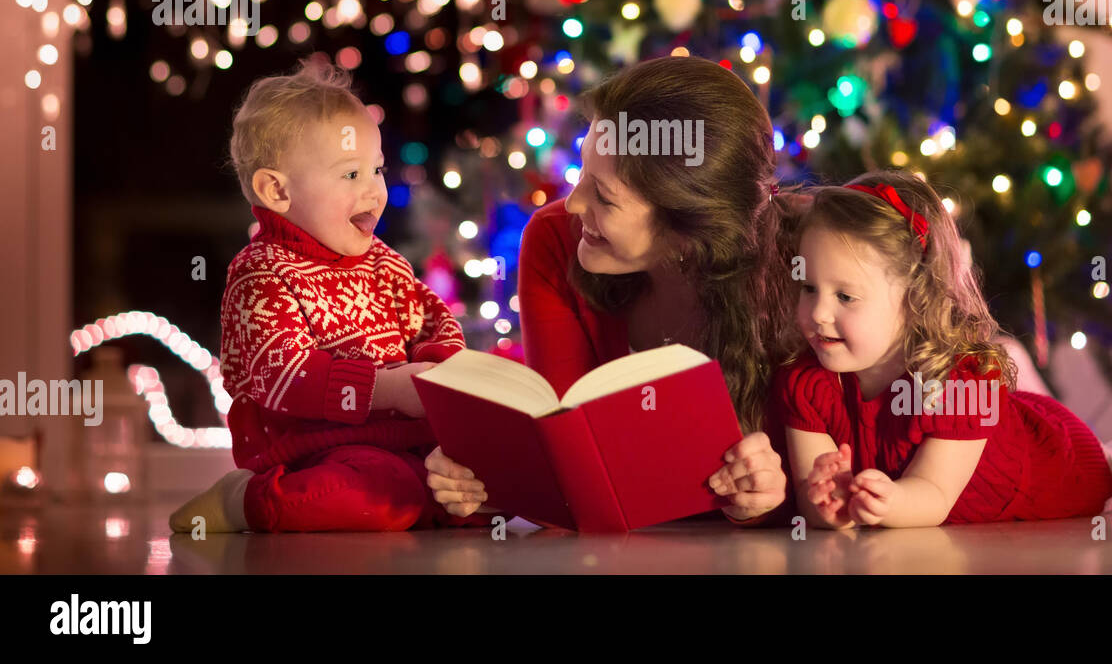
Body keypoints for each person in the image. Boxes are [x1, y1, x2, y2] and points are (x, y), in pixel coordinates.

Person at [425, 56, 805, 526]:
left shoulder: (807, 268)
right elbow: (567, 463)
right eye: (582, 172)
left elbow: (847, 473)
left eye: (604, 197)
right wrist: (493, 483)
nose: (575, 202)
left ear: (692, 229)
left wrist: (764, 500)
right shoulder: (555, 239)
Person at [168, 57, 482, 533]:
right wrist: (391, 388)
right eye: (350, 175)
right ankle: (244, 500)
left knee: (481, 486)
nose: (375, 191)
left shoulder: (384, 262)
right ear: (276, 190)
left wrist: (440, 370)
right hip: (317, 452)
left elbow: (433, 320)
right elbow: (283, 376)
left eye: (376, 170)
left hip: (411, 442)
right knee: (372, 494)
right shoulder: (262, 274)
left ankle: (431, 497)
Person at [775, 170, 1112, 529]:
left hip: (1062, 464)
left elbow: (933, 493)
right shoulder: (804, 382)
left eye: (845, 296)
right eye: (809, 288)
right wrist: (830, 503)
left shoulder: (960, 387)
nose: (818, 313)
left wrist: (890, 503)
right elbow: (809, 496)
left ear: (915, 297)